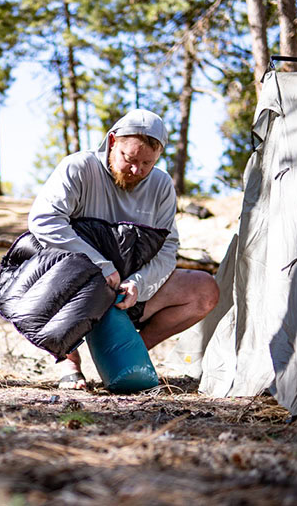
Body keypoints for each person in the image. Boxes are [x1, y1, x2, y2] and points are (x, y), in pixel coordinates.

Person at [28, 109, 219, 389]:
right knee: (39, 263)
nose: (136, 171)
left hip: (127, 291)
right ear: (113, 141)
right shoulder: (79, 167)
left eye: (147, 163)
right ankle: (69, 362)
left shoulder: (162, 185)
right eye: (130, 159)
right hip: (78, 288)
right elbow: (44, 220)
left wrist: (138, 284)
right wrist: (100, 266)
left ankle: (130, 352)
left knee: (204, 290)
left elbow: (167, 249)